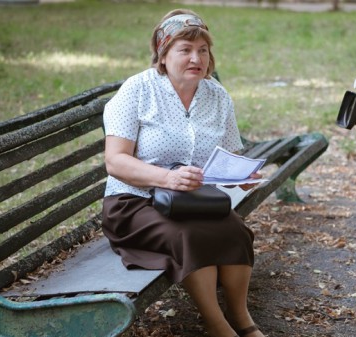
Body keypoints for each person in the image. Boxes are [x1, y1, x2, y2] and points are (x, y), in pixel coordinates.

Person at [101, 9, 265, 337]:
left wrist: (241, 176)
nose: (196, 58)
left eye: (203, 50)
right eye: (185, 50)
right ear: (163, 56)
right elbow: (115, 161)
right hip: (133, 201)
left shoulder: (217, 96)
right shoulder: (137, 90)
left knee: (236, 231)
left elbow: (231, 154)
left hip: (194, 201)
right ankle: (218, 326)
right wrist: (167, 179)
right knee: (188, 237)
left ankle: (242, 318)